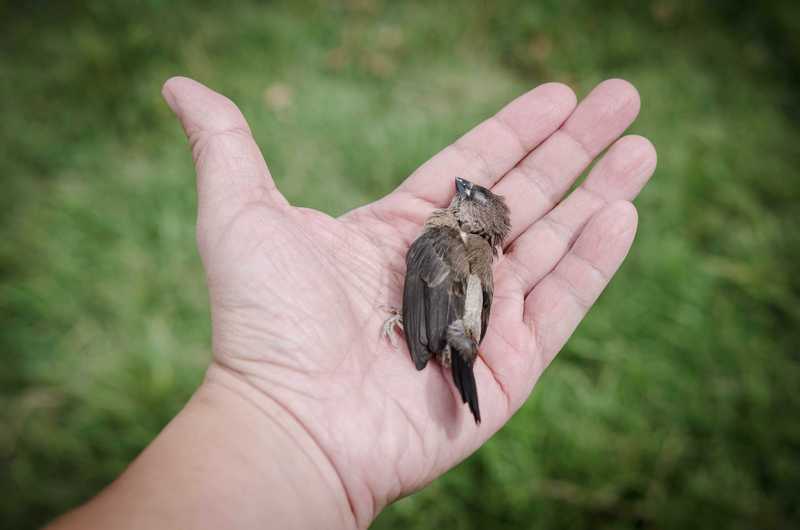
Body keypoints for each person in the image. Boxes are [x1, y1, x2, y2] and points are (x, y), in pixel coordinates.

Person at [47, 76, 656, 530]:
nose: (460, 192)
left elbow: (429, 300)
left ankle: (454, 357)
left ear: (473, 220)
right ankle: (458, 361)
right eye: (467, 192)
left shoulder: (440, 242)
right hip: (462, 340)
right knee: (456, 344)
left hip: (449, 335)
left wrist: (421, 338)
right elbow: (465, 306)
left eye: (468, 198)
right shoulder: (478, 260)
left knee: (449, 336)